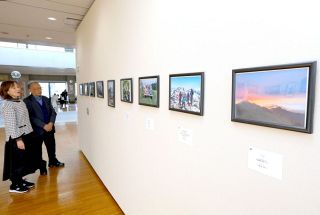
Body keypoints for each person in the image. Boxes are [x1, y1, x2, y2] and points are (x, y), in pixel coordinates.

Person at [1, 81, 38, 193]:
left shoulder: (19, 101)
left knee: (24, 161)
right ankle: (14, 185)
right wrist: (18, 140)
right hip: (17, 138)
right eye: (14, 88)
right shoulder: (8, 104)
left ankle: (20, 180)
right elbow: (11, 124)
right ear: (7, 91)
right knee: (17, 162)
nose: (18, 89)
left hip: (26, 135)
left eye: (18, 87)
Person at [24, 82, 65, 169]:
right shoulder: (27, 101)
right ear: (30, 90)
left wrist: (51, 123)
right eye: (35, 89)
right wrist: (43, 125)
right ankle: (41, 167)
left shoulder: (46, 99)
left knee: (51, 147)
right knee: (37, 150)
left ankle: (53, 161)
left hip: (50, 128)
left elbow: (53, 112)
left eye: (39, 88)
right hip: (37, 130)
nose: (39, 90)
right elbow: (30, 117)